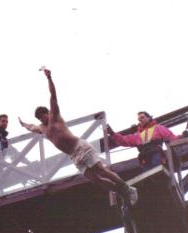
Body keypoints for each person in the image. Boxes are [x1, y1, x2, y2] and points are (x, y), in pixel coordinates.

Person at [19, 68, 137, 206]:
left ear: (47, 112)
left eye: (43, 115)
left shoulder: (54, 116)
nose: (42, 118)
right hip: (73, 155)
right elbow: (31, 127)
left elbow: (53, 95)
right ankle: (121, 192)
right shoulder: (41, 128)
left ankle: (127, 188)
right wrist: (23, 124)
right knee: (95, 179)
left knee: (101, 171)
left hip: (80, 147)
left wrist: (49, 78)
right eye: (39, 117)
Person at [107, 111, 188, 171]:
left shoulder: (158, 128)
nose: (140, 120)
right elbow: (123, 140)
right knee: (148, 175)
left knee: (157, 171)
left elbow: (171, 138)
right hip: (144, 157)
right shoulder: (138, 135)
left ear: (149, 117)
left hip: (156, 154)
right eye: (139, 119)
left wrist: (182, 136)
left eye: (142, 117)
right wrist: (112, 133)